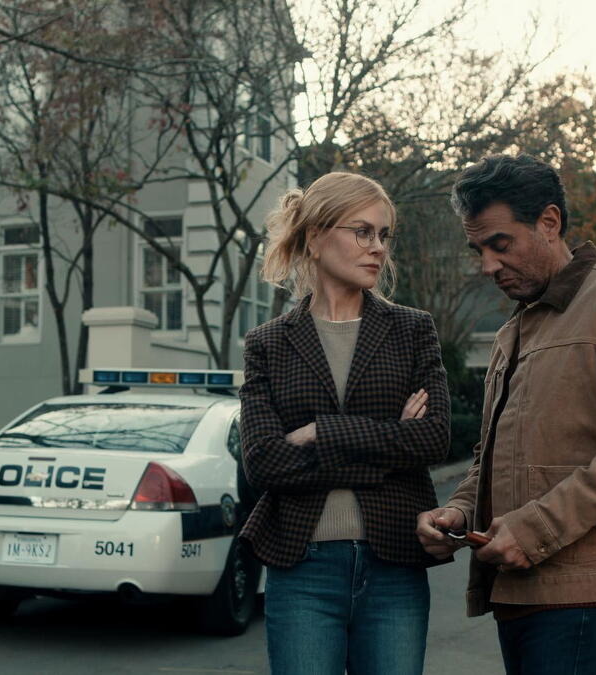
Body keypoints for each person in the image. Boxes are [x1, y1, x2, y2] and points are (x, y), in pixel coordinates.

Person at [416, 154, 596, 675]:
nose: (488, 266)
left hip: (588, 591)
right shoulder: (514, 330)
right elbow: (495, 454)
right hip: (521, 588)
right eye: (479, 250)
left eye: (500, 244)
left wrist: (535, 528)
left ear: (549, 222)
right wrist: (458, 511)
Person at [239, 172, 451, 675]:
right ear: (315, 238)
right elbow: (263, 462)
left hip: (394, 566)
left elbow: (433, 438)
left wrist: (321, 432)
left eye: (383, 235)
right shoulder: (268, 344)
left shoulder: (412, 331)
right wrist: (390, 442)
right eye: (362, 231)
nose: (377, 247)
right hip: (302, 569)